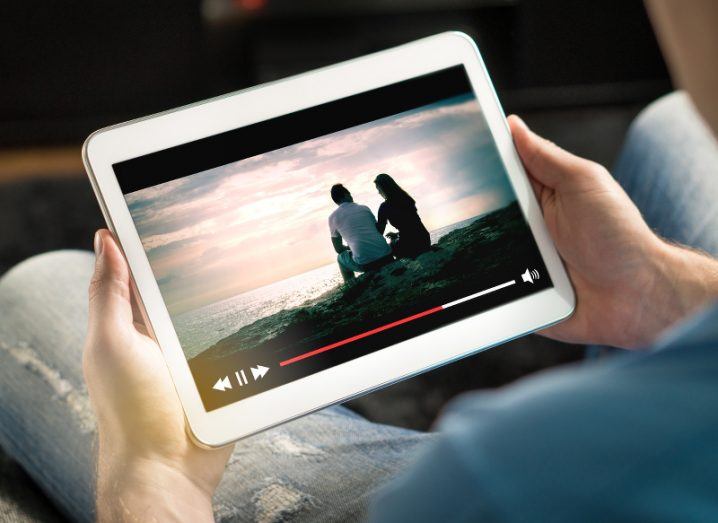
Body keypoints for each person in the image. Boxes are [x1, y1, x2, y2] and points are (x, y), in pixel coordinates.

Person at [0, 2, 717, 521]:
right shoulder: (378, 202)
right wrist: (658, 285)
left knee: (35, 291)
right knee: (671, 124)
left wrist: (150, 476)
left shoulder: (489, 475)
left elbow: (347, 244)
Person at [328, 183, 394, 282]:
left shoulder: (332, 218)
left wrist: (351, 247)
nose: (351, 196)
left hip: (367, 264)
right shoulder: (364, 208)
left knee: (340, 258)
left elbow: (338, 249)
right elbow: (378, 231)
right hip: (387, 256)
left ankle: (350, 284)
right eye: (349, 194)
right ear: (346, 195)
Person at [374, 173, 431, 259]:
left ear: (383, 188)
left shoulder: (384, 207)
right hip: (425, 240)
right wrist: (397, 234)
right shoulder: (406, 198)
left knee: (391, 246)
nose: (378, 192)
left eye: (378, 189)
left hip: (411, 246)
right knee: (396, 240)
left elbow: (380, 232)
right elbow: (412, 225)